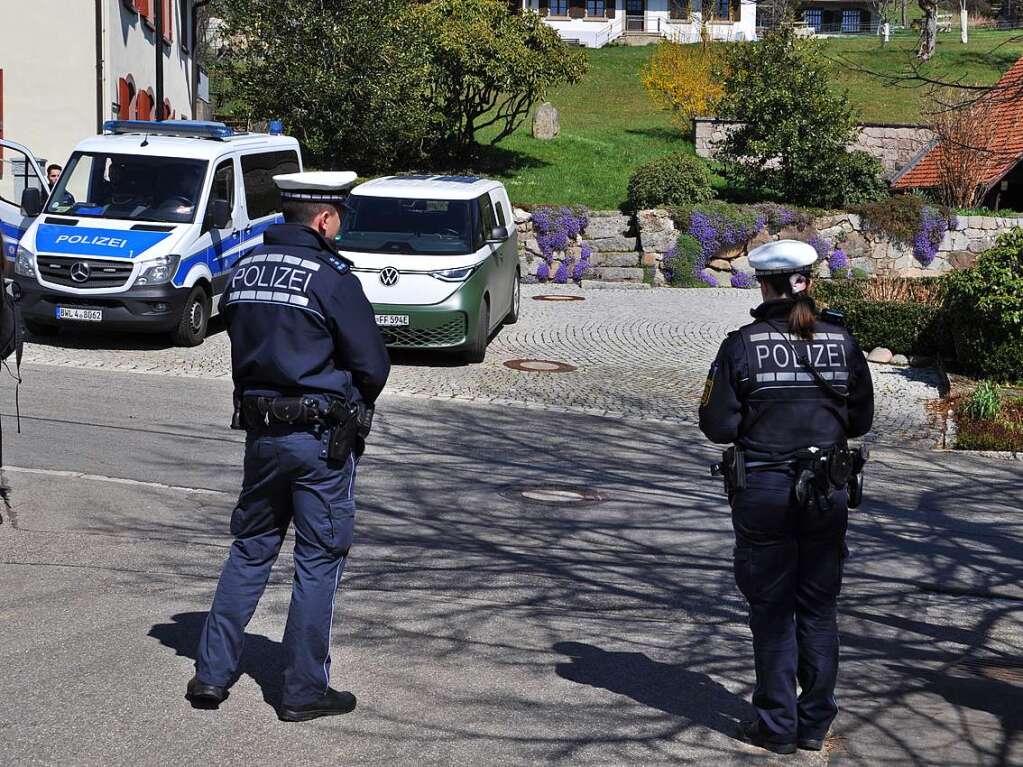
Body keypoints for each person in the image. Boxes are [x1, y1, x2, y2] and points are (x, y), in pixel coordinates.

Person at [187, 171, 391, 722]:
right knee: (318, 560)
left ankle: (210, 675)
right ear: (324, 219)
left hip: (261, 435)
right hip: (320, 441)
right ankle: (302, 690)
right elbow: (373, 365)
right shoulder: (332, 276)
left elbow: (237, 337)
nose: (339, 227)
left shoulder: (245, 269)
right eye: (338, 218)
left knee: (250, 550)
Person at [698, 240, 874, 755]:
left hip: (765, 490)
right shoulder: (843, 342)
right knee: (818, 609)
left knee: (773, 609)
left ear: (764, 284)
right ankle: (814, 723)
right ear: (810, 282)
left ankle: (776, 726)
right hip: (827, 489)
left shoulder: (742, 345)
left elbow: (717, 425)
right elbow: (860, 420)